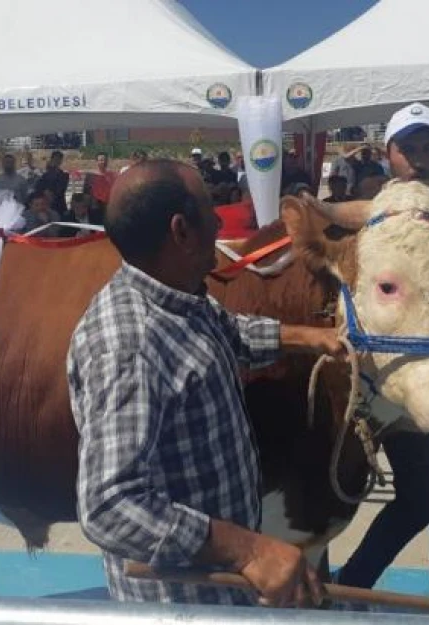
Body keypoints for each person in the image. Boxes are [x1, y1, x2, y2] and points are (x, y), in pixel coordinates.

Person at [67, 159, 342, 607]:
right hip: (182, 603)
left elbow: (230, 334)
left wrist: (312, 337)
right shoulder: (130, 345)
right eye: (212, 215)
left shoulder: (182, 299)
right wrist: (249, 549)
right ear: (181, 231)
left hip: (222, 588)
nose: (219, 225)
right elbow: (108, 506)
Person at [331, 102, 429, 603]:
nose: (420, 158)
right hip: (395, 377)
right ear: (389, 155)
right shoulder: (373, 214)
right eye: (408, 149)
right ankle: (352, 589)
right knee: (420, 498)